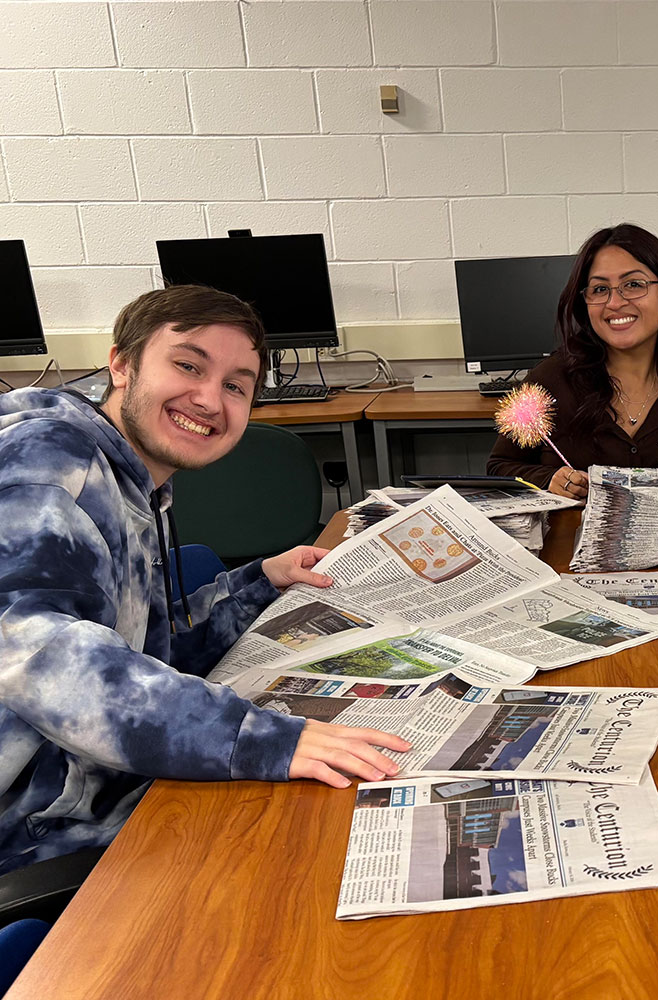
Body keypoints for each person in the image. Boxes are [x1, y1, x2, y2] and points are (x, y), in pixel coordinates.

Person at [0, 285, 410, 875]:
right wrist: (261, 738)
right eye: (188, 365)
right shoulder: (50, 457)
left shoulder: (138, 485)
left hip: (108, 790)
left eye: (236, 386)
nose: (209, 400)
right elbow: (41, 656)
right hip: (38, 833)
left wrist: (262, 582)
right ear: (121, 363)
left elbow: (152, 656)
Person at [486, 224, 658, 498]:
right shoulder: (548, 380)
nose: (614, 303)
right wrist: (548, 479)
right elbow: (500, 467)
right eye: (600, 289)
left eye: (634, 285)